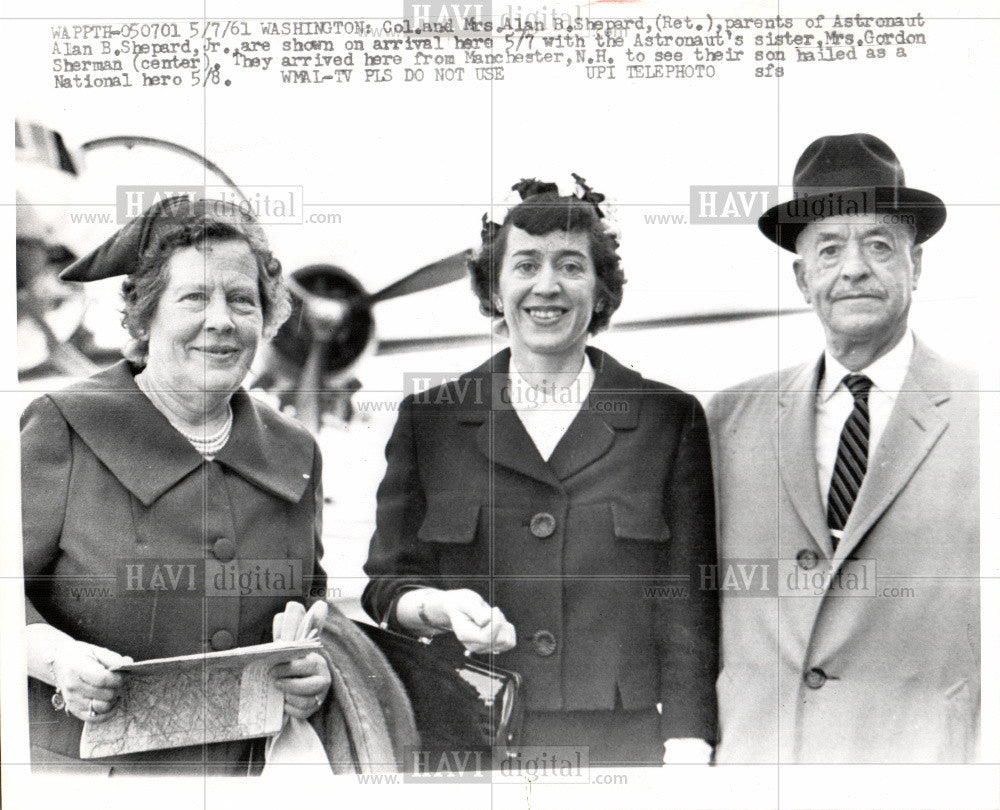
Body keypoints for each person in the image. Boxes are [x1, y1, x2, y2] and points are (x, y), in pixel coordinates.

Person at [362, 177, 719, 767]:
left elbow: (689, 606)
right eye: (525, 264)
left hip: (621, 753)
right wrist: (442, 607)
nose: (546, 286)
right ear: (495, 290)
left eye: (571, 266)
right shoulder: (431, 420)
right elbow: (386, 587)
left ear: (601, 292)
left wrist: (688, 746)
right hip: (466, 743)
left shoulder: (667, 419)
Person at [22, 196, 332, 775]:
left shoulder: (295, 451)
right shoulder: (62, 427)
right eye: (194, 298)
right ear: (145, 316)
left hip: (247, 780)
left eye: (243, 300)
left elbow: (312, 602)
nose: (221, 320)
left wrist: (313, 667)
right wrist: (56, 658)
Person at [708, 133, 980, 763]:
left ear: (917, 267)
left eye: (879, 245)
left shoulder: (983, 413)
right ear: (804, 279)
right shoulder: (726, 421)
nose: (853, 267)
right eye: (829, 249)